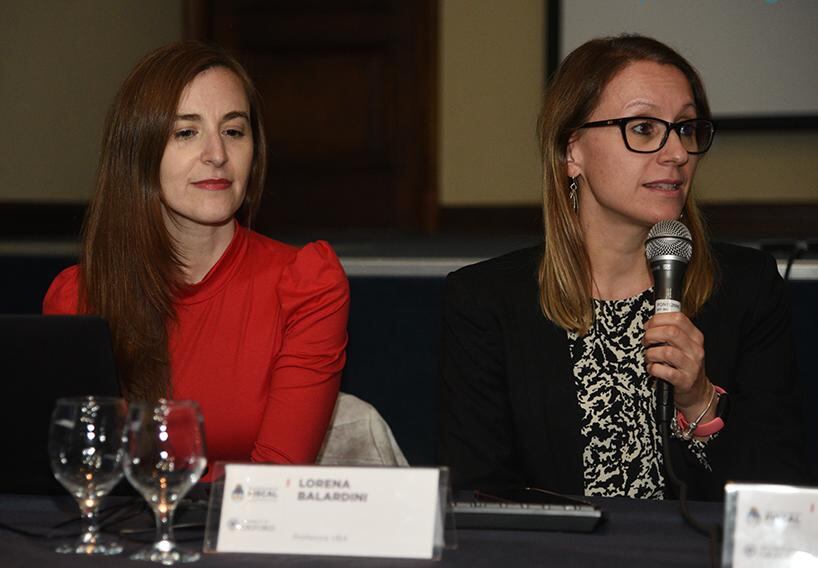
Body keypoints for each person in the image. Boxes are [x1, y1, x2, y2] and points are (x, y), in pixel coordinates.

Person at [439, 35, 809, 501]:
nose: (676, 153)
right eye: (643, 128)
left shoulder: (746, 287)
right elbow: (477, 499)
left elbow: (781, 499)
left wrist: (699, 401)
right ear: (572, 150)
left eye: (686, 128)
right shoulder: (486, 300)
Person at [43, 41, 350, 468]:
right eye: (186, 132)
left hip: (246, 533)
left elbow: (275, 482)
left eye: (233, 130)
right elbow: (84, 469)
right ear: (138, 153)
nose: (218, 155)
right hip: (131, 533)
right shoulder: (78, 298)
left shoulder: (305, 285)